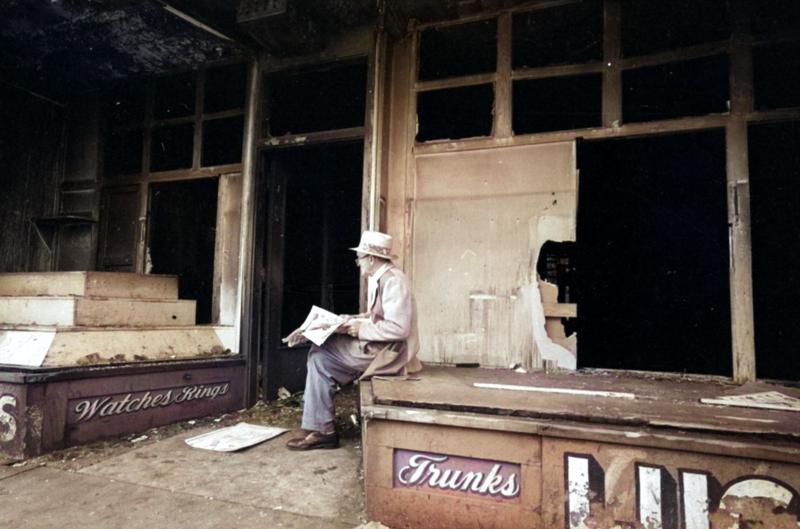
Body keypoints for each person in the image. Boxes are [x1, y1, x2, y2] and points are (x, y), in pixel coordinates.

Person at [285, 230, 422, 450]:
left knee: (321, 351)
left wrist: (359, 330)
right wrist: (347, 320)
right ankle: (322, 429)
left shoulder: (393, 281)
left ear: (371, 258)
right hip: (382, 348)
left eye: (359, 258)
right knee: (320, 357)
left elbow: (399, 329)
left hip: (389, 354)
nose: (358, 263)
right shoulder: (386, 278)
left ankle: (322, 429)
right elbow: (376, 316)